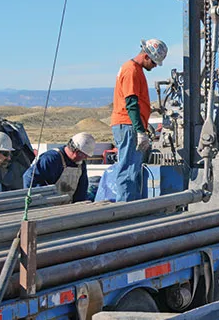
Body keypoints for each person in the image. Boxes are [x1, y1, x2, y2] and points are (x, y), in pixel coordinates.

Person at [109, 38, 167, 201]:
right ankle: (125, 210)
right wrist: (140, 130)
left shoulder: (135, 70)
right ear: (147, 56)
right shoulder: (131, 71)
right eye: (154, 62)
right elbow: (131, 103)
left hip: (131, 124)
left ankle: (132, 207)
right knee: (128, 169)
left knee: (133, 169)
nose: (155, 66)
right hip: (127, 125)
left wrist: (143, 124)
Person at [23, 132, 96, 202]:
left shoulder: (80, 164)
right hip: (47, 207)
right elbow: (29, 178)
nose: (84, 158)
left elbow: (81, 191)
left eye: (86, 156)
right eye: (83, 155)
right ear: (75, 150)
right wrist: (43, 201)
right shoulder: (51, 159)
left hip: (66, 208)